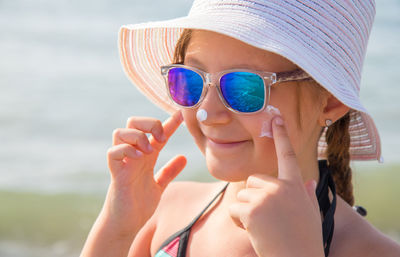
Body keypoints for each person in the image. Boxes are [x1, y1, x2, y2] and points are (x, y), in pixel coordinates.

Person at [80, 0, 400, 256]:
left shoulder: (370, 251)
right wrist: (118, 228)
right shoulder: (168, 210)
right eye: (190, 81)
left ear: (329, 102)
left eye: (244, 88)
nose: (208, 112)